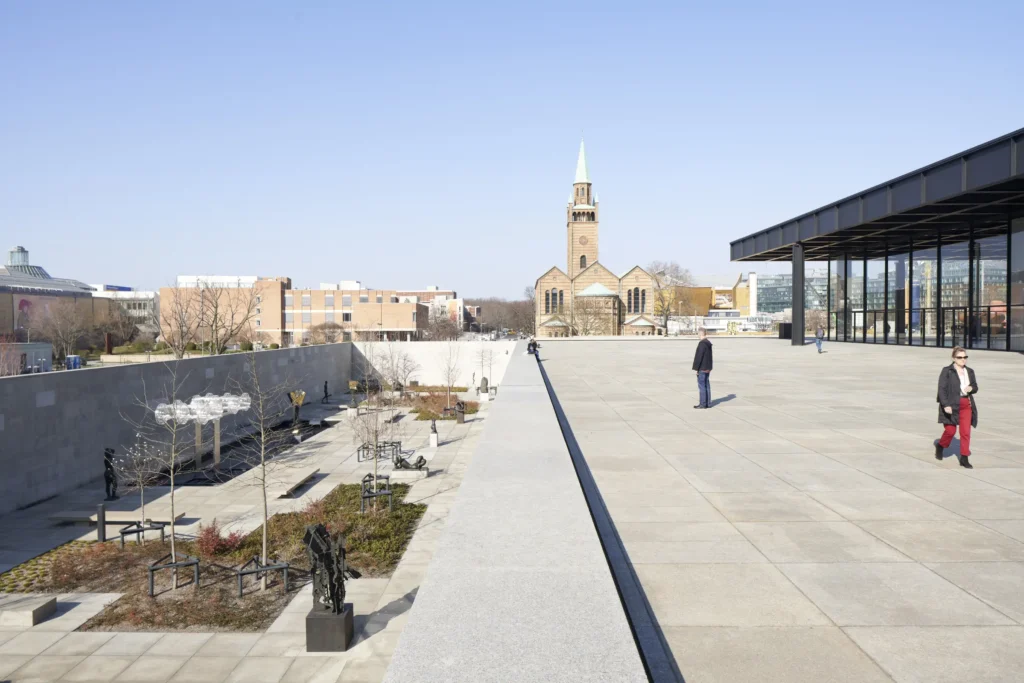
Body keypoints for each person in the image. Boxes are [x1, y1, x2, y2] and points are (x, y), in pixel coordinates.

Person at [934, 346, 979, 469]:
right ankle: (941, 445)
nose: (963, 359)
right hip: (951, 405)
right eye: (960, 357)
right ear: (954, 358)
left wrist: (971, 388)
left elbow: (975, 386)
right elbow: (941, 389)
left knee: (965, 432)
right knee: (950, 431)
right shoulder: (947, 371)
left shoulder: (969, 371)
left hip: (966, 404)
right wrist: (945, 405)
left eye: (965, 357)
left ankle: (964, 458)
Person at [691, 327, 713, 409]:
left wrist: (696, 368)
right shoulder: (708, 343)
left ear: (700, 334)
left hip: (702, 368)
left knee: (702, 386)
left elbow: (698, 357)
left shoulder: (702, 344)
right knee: (707, 385)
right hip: (707, 367)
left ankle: (703, 404)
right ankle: (708, 403)